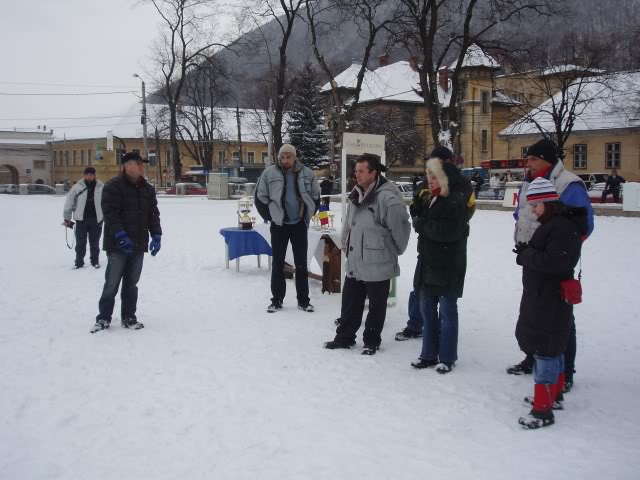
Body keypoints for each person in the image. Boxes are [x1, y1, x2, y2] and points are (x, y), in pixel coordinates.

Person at [507, 138, 594, 393]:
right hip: (532, 258)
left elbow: (583, 223)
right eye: (528, 159)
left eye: (533, 159)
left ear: (547, 160)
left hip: (554, 263)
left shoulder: (568, 184)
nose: (528, 163)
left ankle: (564, 371)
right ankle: (535, 357)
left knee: (560, 318)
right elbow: (521, 213)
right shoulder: (528, 182)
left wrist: (563, 251)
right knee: (535, 312)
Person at [514, 177, 588, 429]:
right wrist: (528, 251)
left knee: (545, 352)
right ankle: (553, 395)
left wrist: (527, 254)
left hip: (549, 300)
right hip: (546, 297)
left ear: (548, 202)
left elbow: (555, 262)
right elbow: (550, 257)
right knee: (552, 349)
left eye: (536, 206)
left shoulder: (560, 227)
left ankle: (543, 409)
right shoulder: (555, 225)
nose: (532, 211)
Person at [324, 154, 410, 355]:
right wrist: (345, 242)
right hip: (356, 259)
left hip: (378, 261)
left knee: (376, 306)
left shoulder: (388, 197)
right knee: (350, 302)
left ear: (374, 173)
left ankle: (371, 341)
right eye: (356, 170)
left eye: (361, 171)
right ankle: (344, 337)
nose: (357, 174)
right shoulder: (356, 192)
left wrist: (391, 252)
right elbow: (349, 222)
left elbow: (401, 229)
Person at [395, 146, 475, 342]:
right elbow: (415, 205)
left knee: (445, 297)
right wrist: (421, 215)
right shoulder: (425, 182)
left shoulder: (463, 184)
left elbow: (466, 212)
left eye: (437, 161)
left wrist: (435, 218)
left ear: (447, 162)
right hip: (426, 244)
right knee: (420, 288)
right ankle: (416, 324)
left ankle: (440, 333)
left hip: (448, 247)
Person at [90, 152, 162, 333]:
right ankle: (104, 318)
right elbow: (110, 213)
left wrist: (156, 235)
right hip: (117, 245)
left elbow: (153, 214)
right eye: (138, 163)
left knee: (131, 284)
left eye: (142, 164)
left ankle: (129, 317)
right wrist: (120, 235)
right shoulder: (113, 186)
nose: (141, 167)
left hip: (138, 244)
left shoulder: (147, 189)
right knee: (112, 283)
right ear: (126, 166)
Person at [410, 158, 470, 373]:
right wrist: (417, 210)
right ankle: (428, 354)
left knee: (447, 313)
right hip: (428, 264)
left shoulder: (455, 201)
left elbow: (448, 232)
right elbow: (421, 218)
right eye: (429, 176)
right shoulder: (430, 199)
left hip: (447, 266)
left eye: (435, 177)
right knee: (427, 312)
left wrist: (422, 224)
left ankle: (446, 356)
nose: (430, 180)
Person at [255, 144, 320, 313]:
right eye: (282, 157)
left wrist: (309, 214)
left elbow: (315, 196)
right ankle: (276, 300)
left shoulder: (307, 173)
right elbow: (259, 197)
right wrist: (271, 216)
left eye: (288, 157)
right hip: (279, 225)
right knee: (277, 263)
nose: (285, 160)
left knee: (301, 264)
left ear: (294, 157)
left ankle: (303, 301)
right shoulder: (269, 173)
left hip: (299, 224)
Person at [63, 167, 104, 269]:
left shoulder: (101, 187)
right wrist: (67, 217)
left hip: (96, 219)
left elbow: (106, 202)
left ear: (95, 175)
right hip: (81, 220)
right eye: (87, 174)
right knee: (81, 243)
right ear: (84, 175)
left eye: (91, 174)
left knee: (95, 243)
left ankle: (95, 261)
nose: (89, 176)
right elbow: (69, 202)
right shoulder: (77, 187)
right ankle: (79, 262)